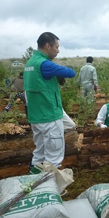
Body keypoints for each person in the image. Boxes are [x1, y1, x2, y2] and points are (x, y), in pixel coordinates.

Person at [23, 32, 76, 171]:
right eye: (56, 47)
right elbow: (71, 73)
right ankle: (50, 188)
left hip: (37, 116)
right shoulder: (44, 64)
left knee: (39, 153)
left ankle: (33, 184)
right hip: (49, 116)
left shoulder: (30, 63)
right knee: (54, 158)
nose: (58, 50)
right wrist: (57, 72)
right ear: (47, 46)